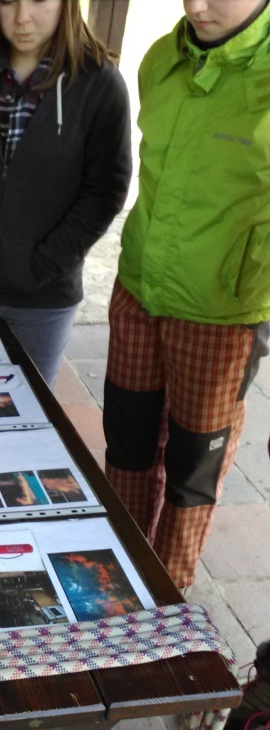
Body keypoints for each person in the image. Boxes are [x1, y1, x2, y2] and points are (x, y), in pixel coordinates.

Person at [102, 0, 270, 590]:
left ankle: (166, 599)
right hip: (139, 289)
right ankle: (117, 575)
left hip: (221, 314)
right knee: (126, 446)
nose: (195, 6)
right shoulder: (162, 59)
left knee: (191, 471)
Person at [0, 0, 132, 388]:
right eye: (8, 1)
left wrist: (43, 265)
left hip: (44, 300)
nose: (22, 17)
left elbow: (106, 190)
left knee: (30, 411)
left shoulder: (99, 83)